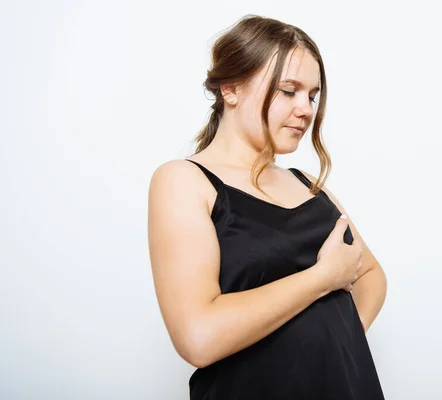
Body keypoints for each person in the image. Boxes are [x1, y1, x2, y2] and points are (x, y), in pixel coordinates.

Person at [147, 14, 387, 399]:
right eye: (288, 91)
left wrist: (331, 345)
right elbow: (197, 338)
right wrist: (321, 279)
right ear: (231, 89)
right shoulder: (183, 181)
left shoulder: (307, 185)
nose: (306, 109)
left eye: (312, 95)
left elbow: (372, 275)